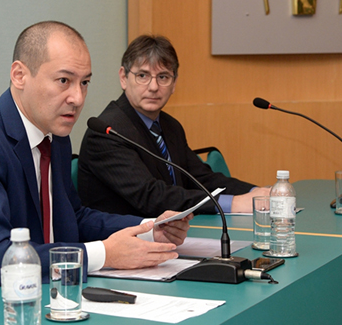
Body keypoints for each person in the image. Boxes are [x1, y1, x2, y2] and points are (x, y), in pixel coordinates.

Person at [0, 22, 193, 316]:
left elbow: (73, 217)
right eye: (64, 81)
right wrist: (104, 253)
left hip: (36, 300)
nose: (77, 98)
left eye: (85, 82)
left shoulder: (55, 136)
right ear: (19, 75)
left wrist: (149, 229)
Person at [78, 35, 270, 218]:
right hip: (123, 240)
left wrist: (257, 193)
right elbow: (151, 196)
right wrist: (234, 203)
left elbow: (202, 179)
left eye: (163, 77)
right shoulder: (108, 131)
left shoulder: (169, 126)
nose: (153, 87)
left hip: (169, 234)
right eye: (143, 75)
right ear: (123, 78)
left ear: (174, 83)